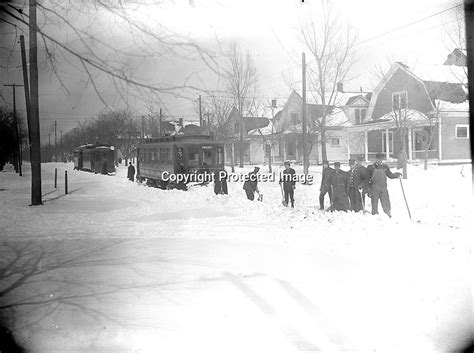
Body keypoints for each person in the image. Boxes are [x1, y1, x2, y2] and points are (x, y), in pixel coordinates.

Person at [366, 152, 402, 217]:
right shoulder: (370, 167)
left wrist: (396, 175)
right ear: (376, 159)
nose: (380, 160)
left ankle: (388, 213)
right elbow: (367, 179)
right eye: (378, 159)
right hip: (374, 188)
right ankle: (375, 215)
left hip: (383, 188)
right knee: (374, 203)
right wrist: (368, 189)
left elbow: (390, 175)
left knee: (386, 201)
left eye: (381, 159)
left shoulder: (385, 167)